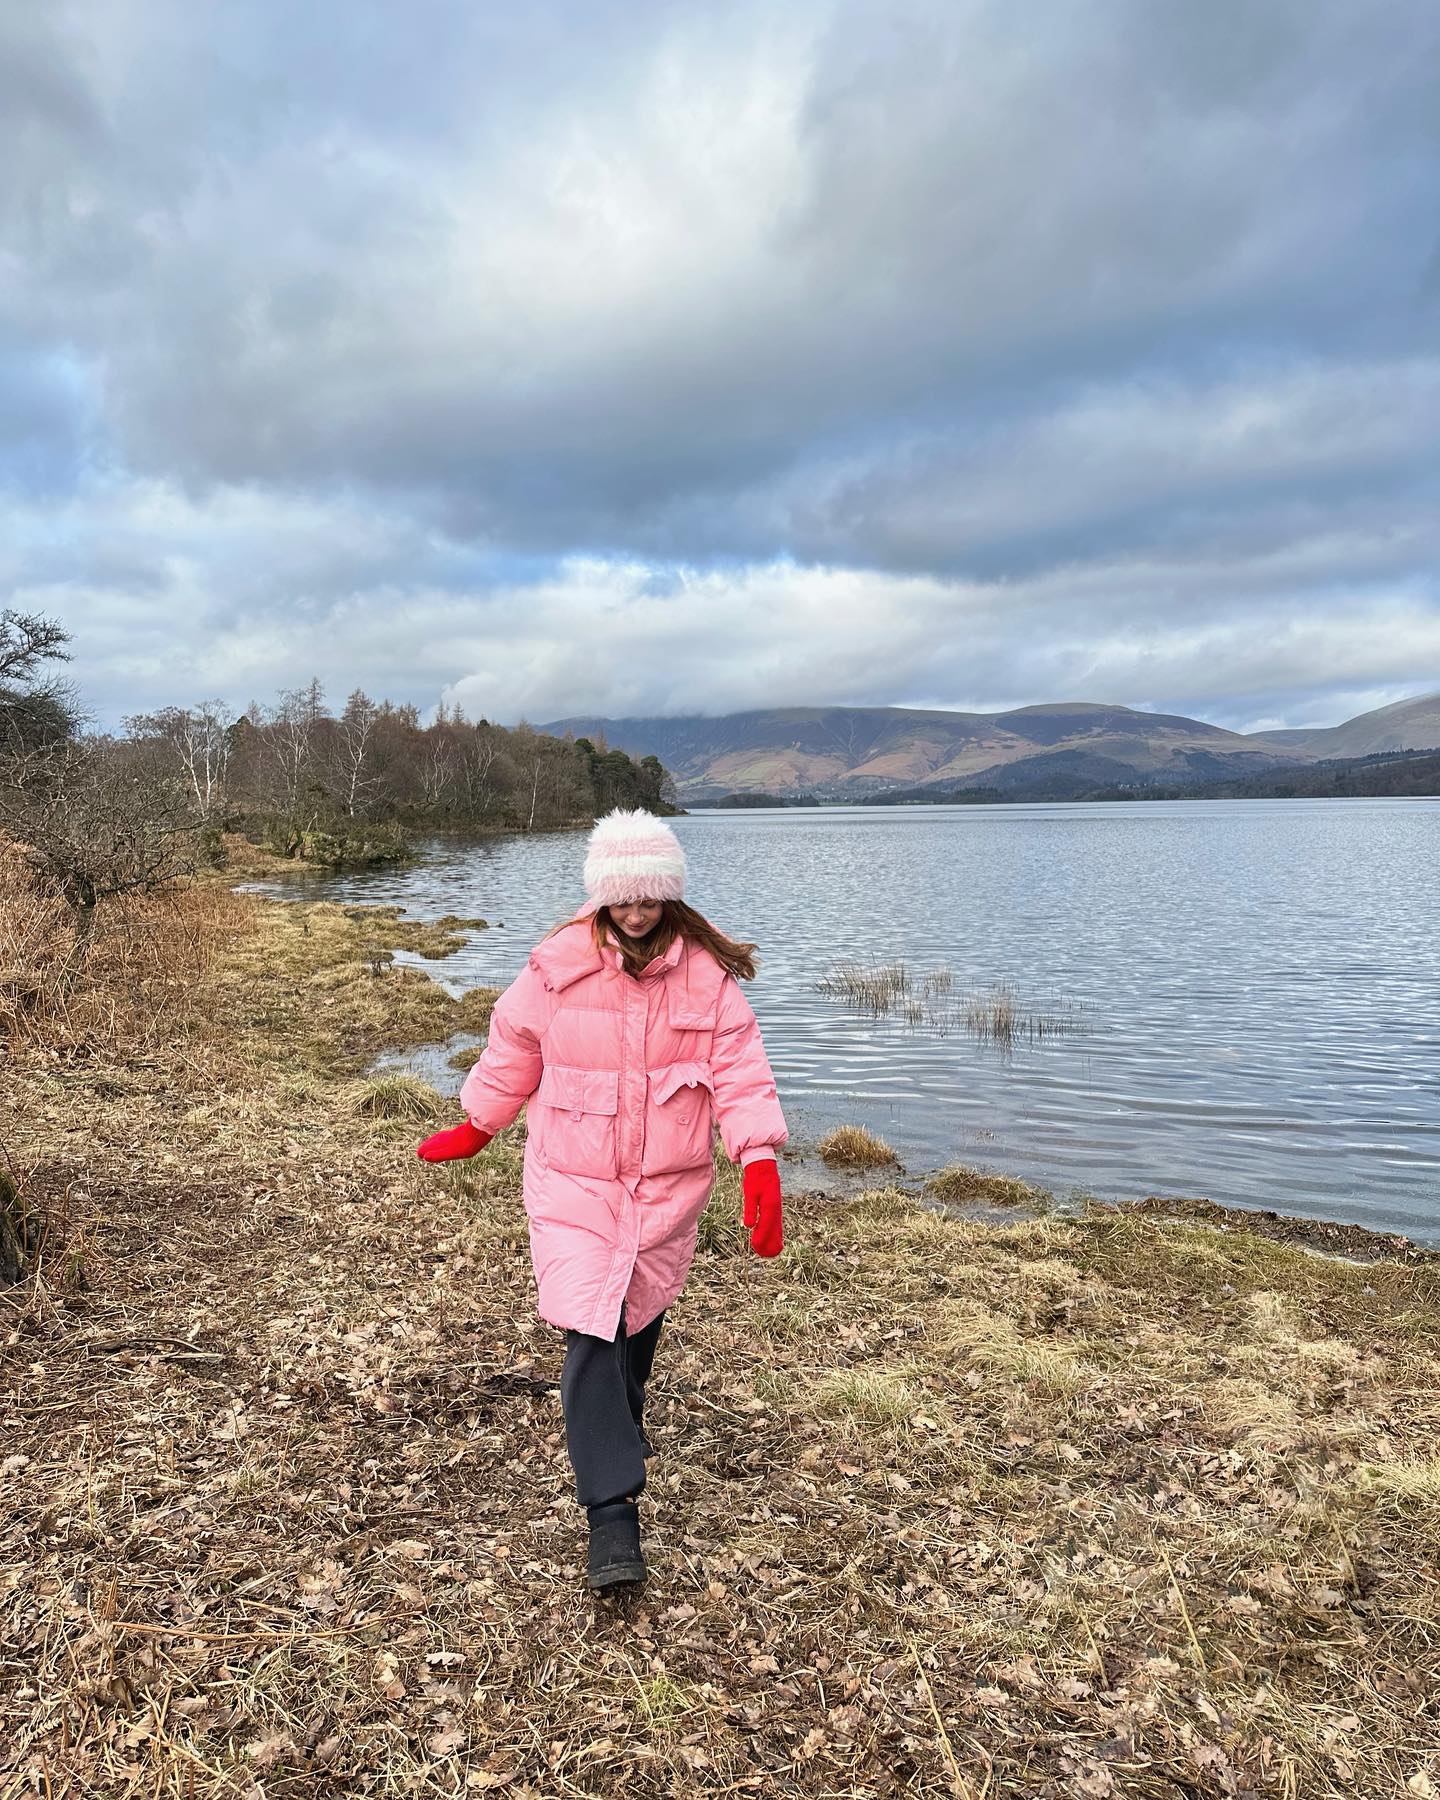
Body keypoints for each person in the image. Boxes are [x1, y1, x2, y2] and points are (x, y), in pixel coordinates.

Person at [416, 807, 787, 1590]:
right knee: (591, 1331)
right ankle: (612, 1518)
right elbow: (514, 1040)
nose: (638, 910)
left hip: (666, 1190)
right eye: (624, 896)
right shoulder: (559, 965)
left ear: (670, 895)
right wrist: (481, 1121)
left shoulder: (705, 977)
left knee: (635, 1325)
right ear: (602, 895)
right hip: (572, 1183)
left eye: (651, 896)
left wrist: (757, 1156)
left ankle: (619, 1430)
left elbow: (741, 1069)